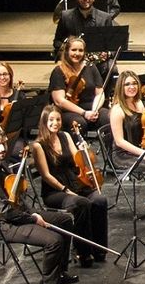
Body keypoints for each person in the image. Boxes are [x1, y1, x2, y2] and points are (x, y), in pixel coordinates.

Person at [0, 128, 76, 284]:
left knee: (64, 220)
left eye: (4, 143)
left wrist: (31, 214)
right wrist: (32, 218)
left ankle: (59, 272)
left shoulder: (0, 164)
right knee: (54, 240)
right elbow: (4, 212)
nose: (2, 148)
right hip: (5, 225)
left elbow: (15, 200)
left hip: (18, 215)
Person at [30, 107, 110, 268]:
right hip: (55, 191)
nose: (55, 123)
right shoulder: (38, 145)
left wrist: (84, 150)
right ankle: (82, 251)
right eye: (51, 120)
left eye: (58, 119)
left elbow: (77, 158)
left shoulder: (65, 135)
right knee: (82, 204)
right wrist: (65, 190)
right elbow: (46, 175)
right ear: (44, 122)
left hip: (76, 183)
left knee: (100, 200)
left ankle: (99, 249)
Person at [106, 69, 145, 206]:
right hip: (123, 155)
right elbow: (119, 141)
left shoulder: (140, 103)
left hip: (140, 148)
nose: (132, 87)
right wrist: (144, 153)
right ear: (121, 87)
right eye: (127, 84)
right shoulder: (117, 110)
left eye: (134, 83)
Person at [49, 35, 106, 131]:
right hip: (69, 111)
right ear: (67, 51)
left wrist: (94, 110)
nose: (77, 53)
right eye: (73, 50)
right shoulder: (59, 71)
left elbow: (100, 93)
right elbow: (60, 101)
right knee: (79, 123)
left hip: (91, 108)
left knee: (109, 118)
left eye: (80, 50)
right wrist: (84, 113)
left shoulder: (91, 67)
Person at [53, 0, 119, 53]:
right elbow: (57, 41)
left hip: (97, 59)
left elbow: (112, 45)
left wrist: (107, 54)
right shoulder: (65, 16)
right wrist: (68, 47)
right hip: (73, 58)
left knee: (111, 64)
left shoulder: (105, 18)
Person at [0, 60, 25, 145]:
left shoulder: (20, 96)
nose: (2, 77)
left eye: (5, 74)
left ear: (10, 76)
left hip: (15, 138)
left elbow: (24, 122)